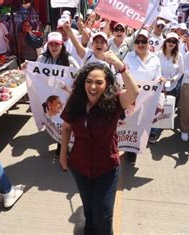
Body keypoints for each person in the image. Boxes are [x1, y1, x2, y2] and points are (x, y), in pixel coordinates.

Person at [60, 59, 139, 234]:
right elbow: (66, 128)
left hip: (106, 168)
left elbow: (134, 92)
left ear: (108, 84)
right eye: (88, 81)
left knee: (103, 214)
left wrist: (121, 66)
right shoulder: (75, 102)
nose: (93, 87)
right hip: (79, 166)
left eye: (99, 82)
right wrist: (63, 155)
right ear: (82, 82)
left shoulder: (115, 102)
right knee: (89, 208)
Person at [122, 29, 162, 165]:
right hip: (131, 98)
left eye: (143, 41)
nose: (140, 44)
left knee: (140, 125)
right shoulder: (128, 57)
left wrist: (160, 79)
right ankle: (125, 149)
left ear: (148, 42)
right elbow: (122, 76)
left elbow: (157, 76)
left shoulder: (155, 59)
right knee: (127, 124)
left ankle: (133, 150)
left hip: (147, 99)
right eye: (137, 41)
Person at [149, 32, 184, 143]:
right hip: (158, 86)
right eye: (169, 41)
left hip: (171, 87)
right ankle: (153, 129)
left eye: (174, 41)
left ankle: (155, 131)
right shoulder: (158, 54)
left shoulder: (179, 56)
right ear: (165, 42)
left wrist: (173, 79)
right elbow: (153, 68)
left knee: (164, 109)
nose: (171, 43)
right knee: (156, 107)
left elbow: (181, 71)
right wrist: (159, 78)